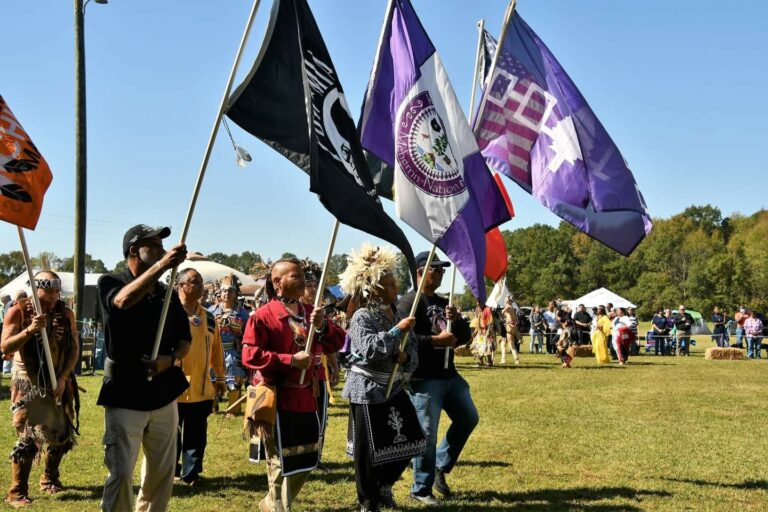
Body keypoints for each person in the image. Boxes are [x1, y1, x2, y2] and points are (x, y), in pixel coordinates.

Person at [97, 224, 192, 512]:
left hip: (164, 394)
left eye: (163, 246)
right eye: (155, 245)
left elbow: (184, 339)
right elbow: (122, 301)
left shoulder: (166, 292)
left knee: (162, 472)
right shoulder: (110, 282)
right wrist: (163, 265)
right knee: (122, 472)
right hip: (125, 392)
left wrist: (171, 360)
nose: (163, 249)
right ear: (134, 250)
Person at [242, 258, 345, 512]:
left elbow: (337, 342)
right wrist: (290, 361)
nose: (303, 280)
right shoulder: (263, 316)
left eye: (303, 276)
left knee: (308, 458)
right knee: (278, 463)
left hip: (306, 396)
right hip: (277, 397)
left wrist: (322, 326)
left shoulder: (312, 314)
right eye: (295, 276)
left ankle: (271, 503)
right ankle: (279, 507)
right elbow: (250, 355)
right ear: (277, 283)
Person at [339, 244, 424, 512]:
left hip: (394, 386)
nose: (395, 290)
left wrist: (405, 358)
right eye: (388, 286)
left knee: (412, 441)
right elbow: (369, 350)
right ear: (373, 289)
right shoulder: (362, 316)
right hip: (366, 388)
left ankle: (384, 486)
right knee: (367, 453)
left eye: (394, 284)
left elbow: (413, 351)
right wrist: (396, 333)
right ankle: (368, 501)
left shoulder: (398, 314)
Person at [397, 252, 477, 505]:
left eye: (443, 270)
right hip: (423, 379)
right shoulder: (407, 303)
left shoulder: (444, 303)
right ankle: (421, 489)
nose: (442, 273)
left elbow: (463, 338)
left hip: (449, 376)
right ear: (420, 272)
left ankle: (440, 465)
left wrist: (458, 321)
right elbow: (402, 340)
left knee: (468, 418)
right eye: (436, 269)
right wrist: (434, 340)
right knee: (427, 434)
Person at [1, 271, 80, 507]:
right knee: (28, 434)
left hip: (59, 376)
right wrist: (30, 330)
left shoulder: (66, 313)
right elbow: (5, 345)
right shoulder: (18, 310)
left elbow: (74, 348)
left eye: (58, 290)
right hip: (28, 378)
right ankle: (17, 492)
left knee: (61, 431)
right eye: (51, 290)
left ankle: (49, 478)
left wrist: (65, 378)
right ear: (38, 288)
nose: (56, 295)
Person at [175, 268, 226, 486]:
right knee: (170, 434)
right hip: (173, 387)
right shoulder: (169, 313)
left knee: (196, 434)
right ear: (181, 286)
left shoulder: (209, 318)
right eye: (194, 282)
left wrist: (221, 378)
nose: (200, 287)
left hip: (201, 386)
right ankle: (170, 469)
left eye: (201, 282)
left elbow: (217, 350)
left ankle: (191, 473)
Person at [299, 261, 340, 470]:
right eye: (308, 284)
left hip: (318, 372)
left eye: (315, 285)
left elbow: (329, 343)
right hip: (296, 374)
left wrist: (334, 365)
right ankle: (298, 457)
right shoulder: (293, 310)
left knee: (320, 418)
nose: (312, 289)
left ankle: (316, 457)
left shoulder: (320, 312)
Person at [208, 274, 249, 418]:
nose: (227, 294)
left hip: (233, 350)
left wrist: (236, 329)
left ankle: (233, 408)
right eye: (224, 290)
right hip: (214, 351)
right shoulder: (211, 311)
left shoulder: (243, 313)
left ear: (235, 292)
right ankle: (213, 406)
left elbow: (248, 334)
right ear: (220, 292)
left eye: (230, 290)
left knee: (234, 379)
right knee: (212, 378)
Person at [500, 298, 520, 364]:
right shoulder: (513, 308)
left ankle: (514, 358)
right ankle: (513, 358)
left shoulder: (508, 306)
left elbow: (502, 311)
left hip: (509, 327)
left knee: (510, 344)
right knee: (505, 344)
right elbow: (516, 319)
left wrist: (502, 311)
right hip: (512, 326)